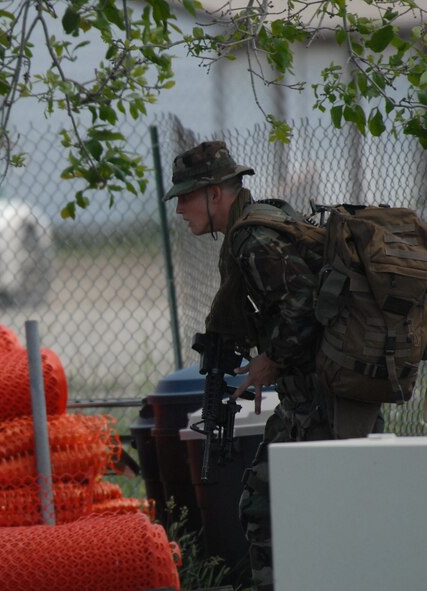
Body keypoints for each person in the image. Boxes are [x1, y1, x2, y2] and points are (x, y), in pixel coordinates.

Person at [163, 141, 381, 590]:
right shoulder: (251, 228)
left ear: (215, 194)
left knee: (285, 514)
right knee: (266, 508)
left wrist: (272, 360)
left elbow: (303, 303)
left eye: (186, 196)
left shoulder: (252, 238)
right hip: (310, 398)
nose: (181, 208)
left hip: (325, 400)